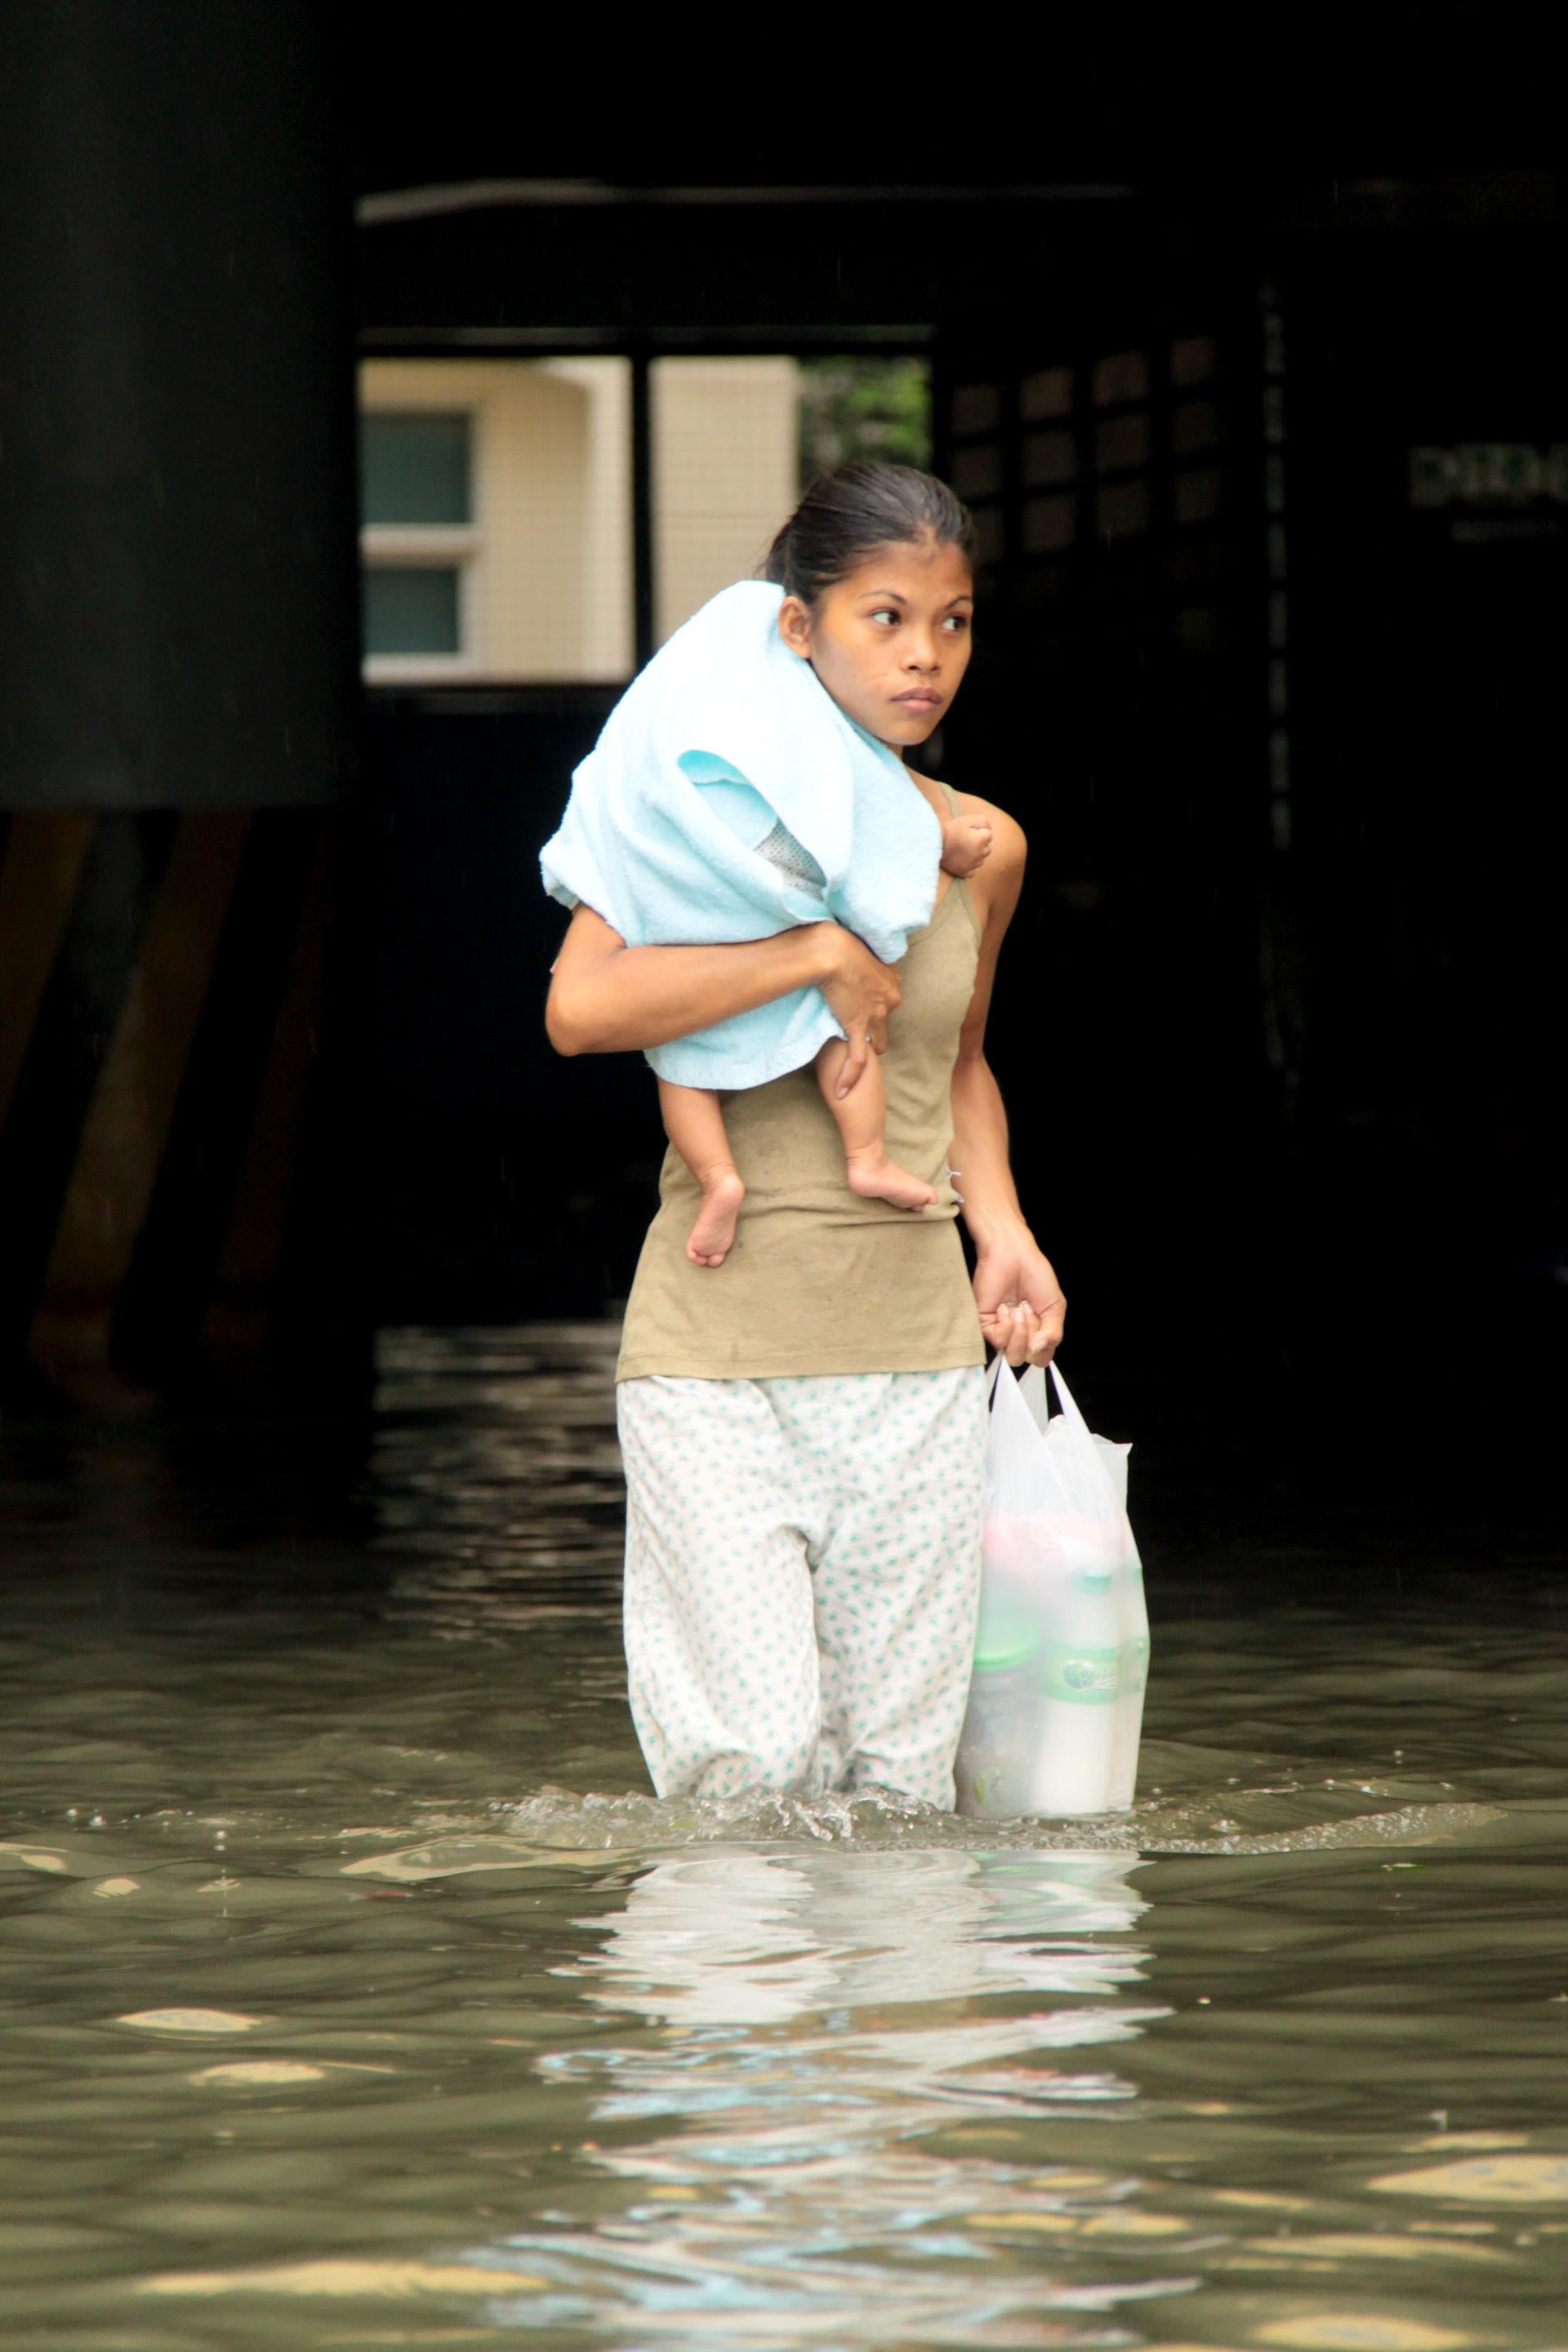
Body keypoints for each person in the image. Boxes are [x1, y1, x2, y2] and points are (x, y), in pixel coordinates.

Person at [546, 461, 1065, 1811]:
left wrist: (1004, 1233)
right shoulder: (695, 821)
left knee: (898, 1790)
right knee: (754, 1767)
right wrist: (810, 952)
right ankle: (739, 2016)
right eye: (884, 618)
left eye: (952, 622)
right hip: (717, 1361)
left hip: (917, 1361)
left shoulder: (980, 846)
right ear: (799, 627)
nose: (926, 657)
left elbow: (958, 1066)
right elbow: (579, 1009)